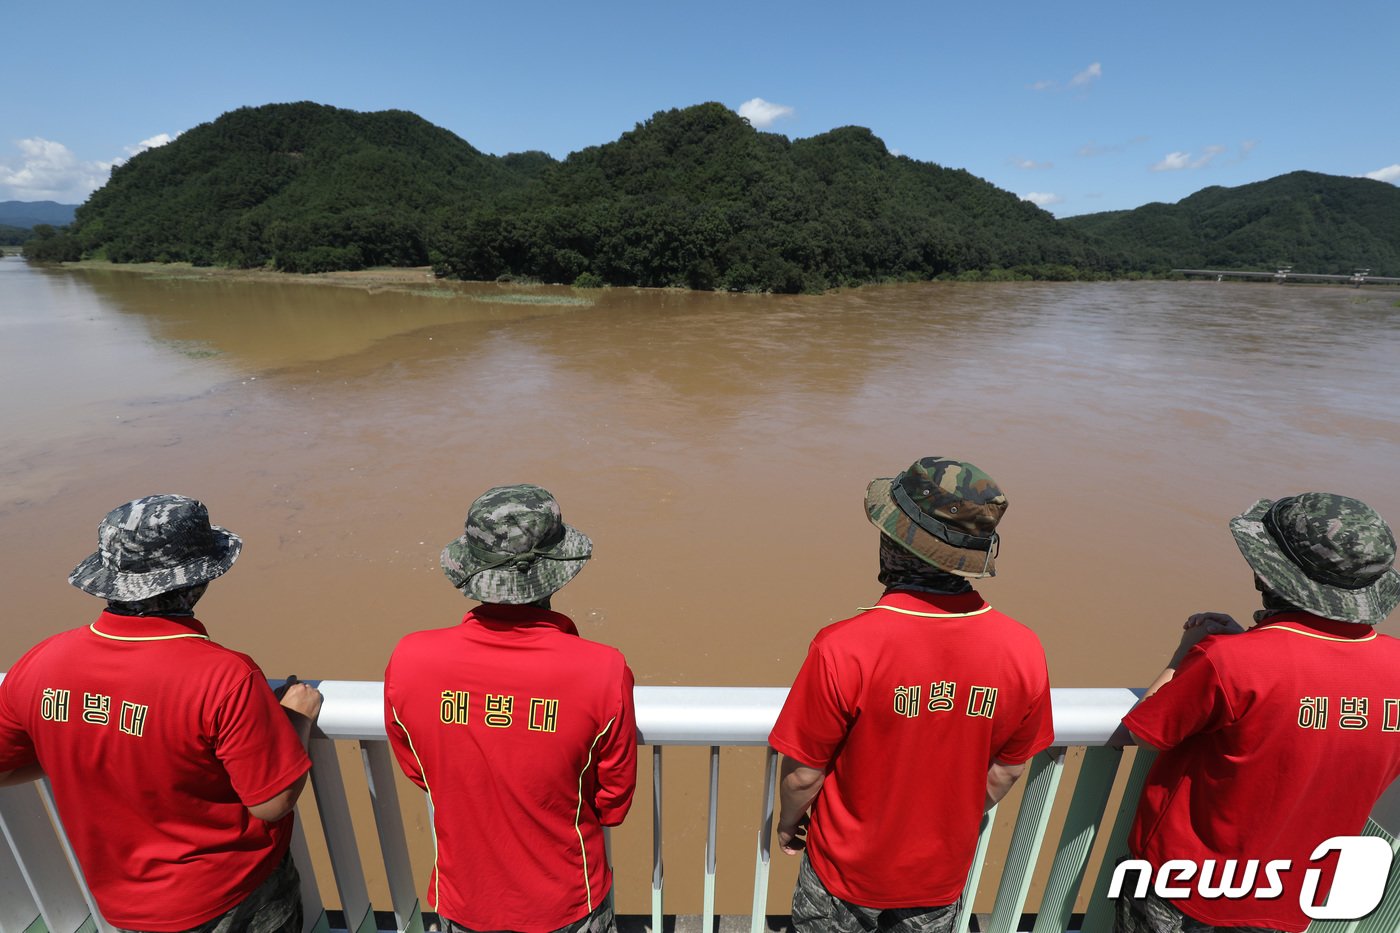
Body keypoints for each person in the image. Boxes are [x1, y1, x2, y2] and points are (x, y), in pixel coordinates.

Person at [0, 494, 322, 933]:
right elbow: (271, 802)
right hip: (228, 896)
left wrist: (75, 746)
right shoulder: (224, 676)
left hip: (124, 903)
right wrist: (298, 715)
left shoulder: (40, 662)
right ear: (200, 580)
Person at [768, 457, 1055, 933]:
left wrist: (786, 822)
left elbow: (803, 776)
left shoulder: (845, 646)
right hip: (939, 875)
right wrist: (951, 816)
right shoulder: (1023, 649)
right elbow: (1007, 770)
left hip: (844, 871)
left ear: (895, 541)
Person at [1116, 492, 1400, 933]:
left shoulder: (1230, 661)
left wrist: (1187, 653)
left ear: (1269, 573)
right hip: (1293, 894)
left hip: (1187, 888)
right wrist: (1250, 638)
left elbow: (1145, 731)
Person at [384, 483, 637, 933]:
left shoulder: (410, 658)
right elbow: (612, 803)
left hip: (462, 899)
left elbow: (420, 770)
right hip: (568, 900)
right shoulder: (602, 669)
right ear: (557, 572)